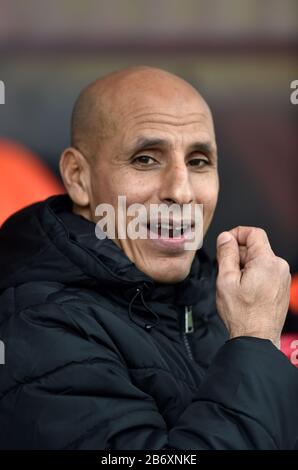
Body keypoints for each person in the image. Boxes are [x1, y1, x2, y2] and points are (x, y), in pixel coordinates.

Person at [0, 66, 297, 450]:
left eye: (199, 161)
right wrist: (255, 340)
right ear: (77, 177)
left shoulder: (216, 301)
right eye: (145, 159)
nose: (181, 191)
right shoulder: (38, 327)